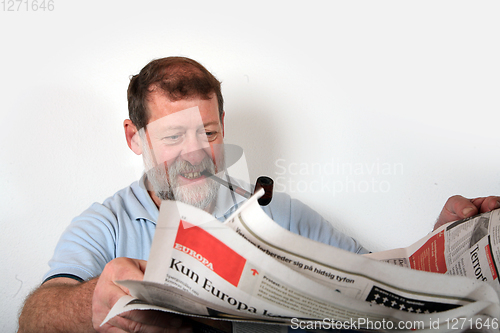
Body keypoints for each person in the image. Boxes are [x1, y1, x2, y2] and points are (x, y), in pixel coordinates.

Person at [17, 56, 500, 333]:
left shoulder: (280, 212)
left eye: (207, 132)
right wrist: (90, 305)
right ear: (134, 137)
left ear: (223, 125)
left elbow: (378, 287)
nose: (195, 154)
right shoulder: (106, 223)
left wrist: (439, 245)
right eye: (171, 137)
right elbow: (35, 316)